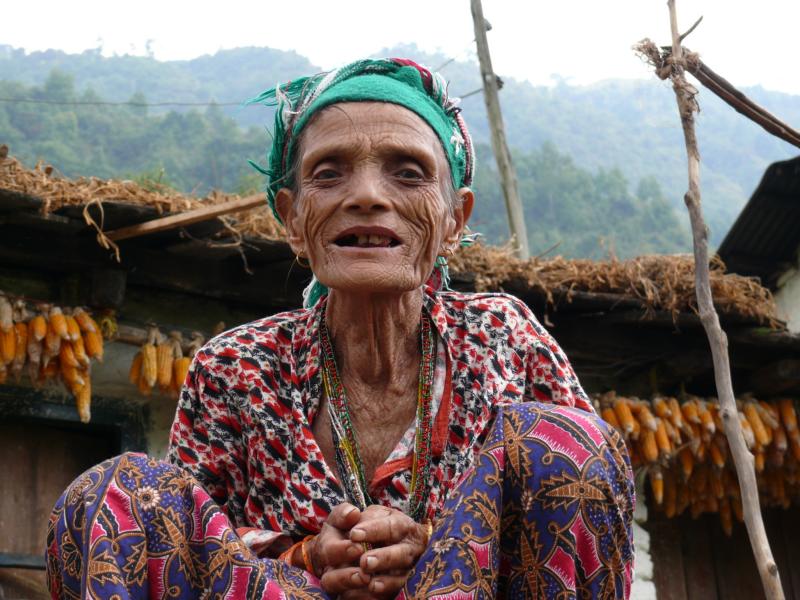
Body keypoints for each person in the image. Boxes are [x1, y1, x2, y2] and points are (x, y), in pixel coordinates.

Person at [46, 58, 634, 599]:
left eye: (408, 173)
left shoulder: (504, 337)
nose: (368, 196)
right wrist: (303, 553)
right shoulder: (236, 366)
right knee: (114, 494)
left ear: (455, 219)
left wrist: (440, 544)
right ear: (294, 219)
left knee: (569, 440)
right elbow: (190, 540)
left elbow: (585, 514)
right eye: (328, 174)